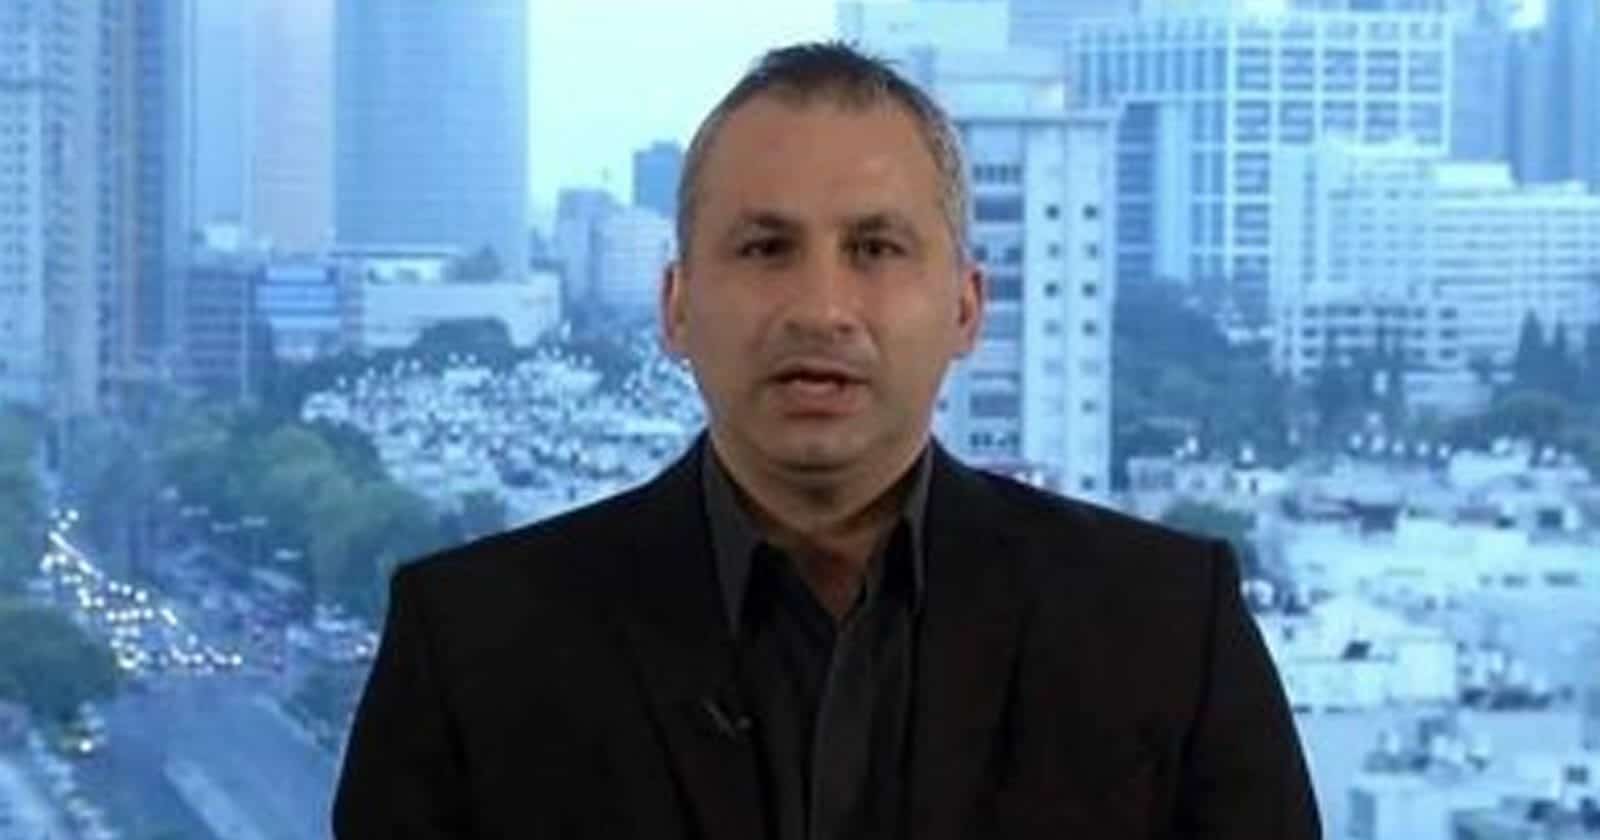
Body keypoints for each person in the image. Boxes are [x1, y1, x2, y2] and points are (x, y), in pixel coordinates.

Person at [331, 41, 1321, 839]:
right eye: (765, 248)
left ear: (967, 307)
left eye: (875, 249)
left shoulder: (1165, 631)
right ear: (675, 305)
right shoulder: (471, 647)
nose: (820, 307)